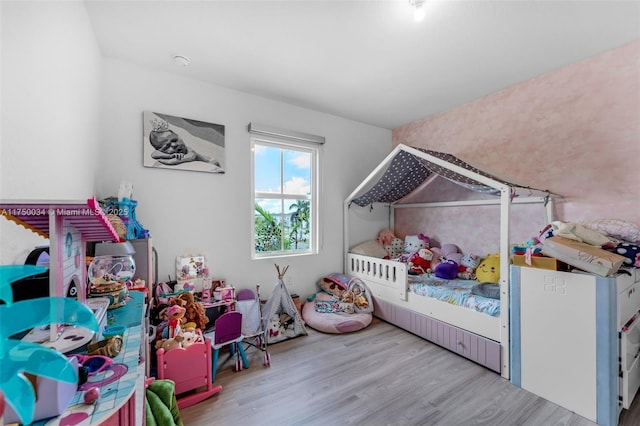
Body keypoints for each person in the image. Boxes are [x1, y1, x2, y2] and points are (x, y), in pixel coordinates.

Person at [149, 121, 221, 167]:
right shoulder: (164, 152)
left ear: (180, 137)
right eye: (167, 146)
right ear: (160, 150)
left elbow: (172, 161)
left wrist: (166, 159)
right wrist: (171, 155)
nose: (174, 145)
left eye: (175, 140)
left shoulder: (190, 152)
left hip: (211, 162)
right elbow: (154, 154)